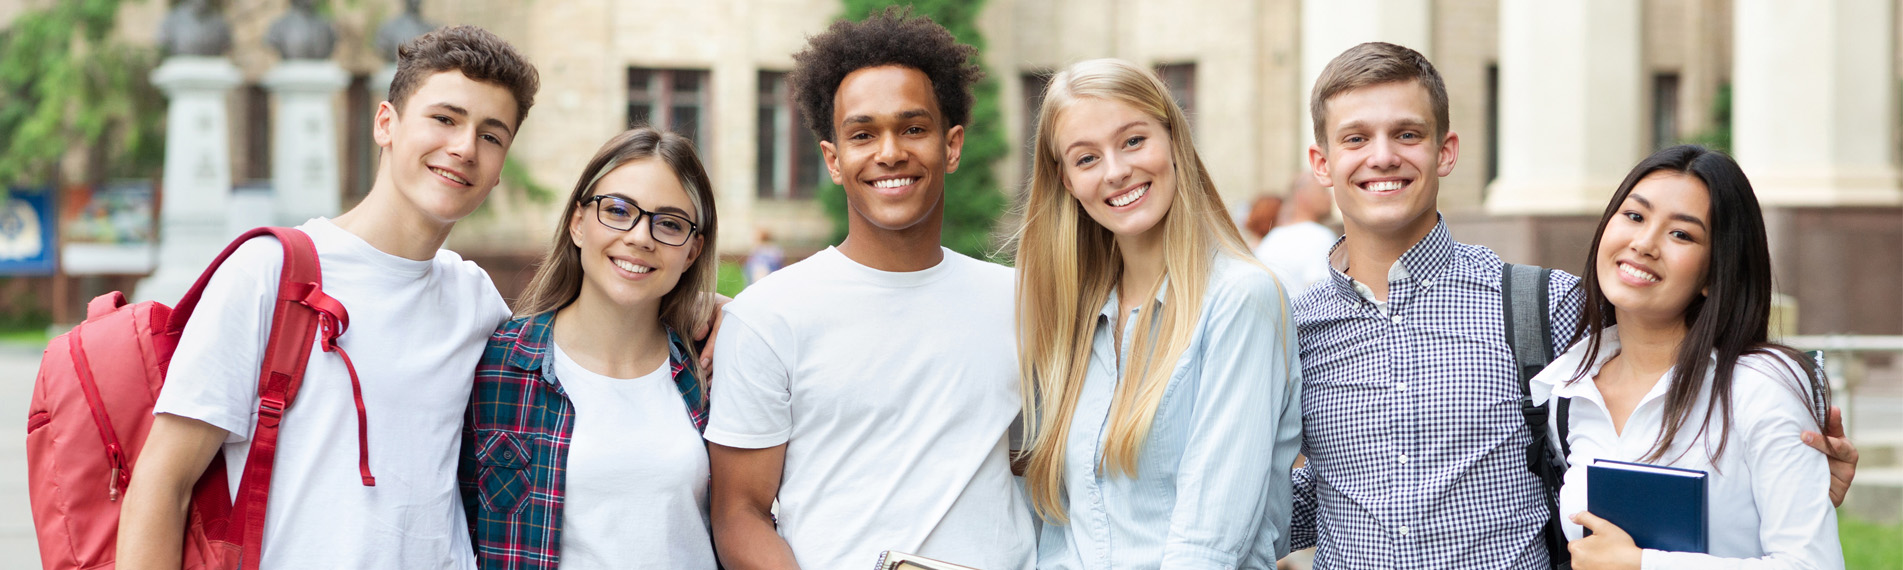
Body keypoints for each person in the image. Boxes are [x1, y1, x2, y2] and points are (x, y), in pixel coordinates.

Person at [1287, 42, 1859, 569]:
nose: (1383, 157)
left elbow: (1674, 400)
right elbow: (1321, 493)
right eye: (1356, 138)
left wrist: (1789, 473)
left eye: (1408, 134)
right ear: (1322, 163)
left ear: (1446, 151)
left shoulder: (1544, 306)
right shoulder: (1292, 328)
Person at [117, 26, 538, 569]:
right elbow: (162, 482)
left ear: (501, 166)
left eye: (491, 135)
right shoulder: (271, 272)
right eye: (445, 118)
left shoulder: (477, 301)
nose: (464, 147)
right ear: (386, 123)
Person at [705, 8, 1035, 570]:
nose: (889, 153)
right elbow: (739, 512)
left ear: (951, 145)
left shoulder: (1023, 301)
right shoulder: (769, 313)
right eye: (863, 134)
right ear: (834, 158)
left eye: (913, 128)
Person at [1013, 58, 1303, 569]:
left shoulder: (1239, 299)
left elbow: (1208, 543)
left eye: (1132, 141)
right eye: (1086, 159)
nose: (1116, 170)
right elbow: (1061, 531)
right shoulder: (1074, 321)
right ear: (1067, 182)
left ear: (1173, 139)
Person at [1533, 145, 1842, 569]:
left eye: (1681, 234)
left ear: (1715, 274)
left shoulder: (1759, 386)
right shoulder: (1568, 389)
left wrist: (1644, 564)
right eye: (1635, 216)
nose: (1643, 243)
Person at [460, 127, 720, 570]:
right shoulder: (496, 366)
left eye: (670, 223)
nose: (641, 236)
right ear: (578, 223)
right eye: (618, 211)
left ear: (692, 252)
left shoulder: (713, 367)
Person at [1254, 174, 1336, 293]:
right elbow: (1323, 292)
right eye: (1323, 191)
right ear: (1302, 195)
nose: (1330, 197)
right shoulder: (1320, 237)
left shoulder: (1271, 239)